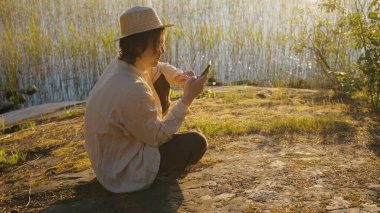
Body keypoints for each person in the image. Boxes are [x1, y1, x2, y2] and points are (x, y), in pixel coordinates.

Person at [84, 6, 208, 193]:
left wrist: (177, 77)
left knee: (158, 78)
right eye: (158, 45)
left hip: (109, 161)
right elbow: (156, 138)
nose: (163, 50)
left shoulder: (121, 66)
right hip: (122, 171)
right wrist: (187, 99)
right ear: (138, 46)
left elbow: (158, 67)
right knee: (196, 143)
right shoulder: (133, 89)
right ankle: (154, 176)